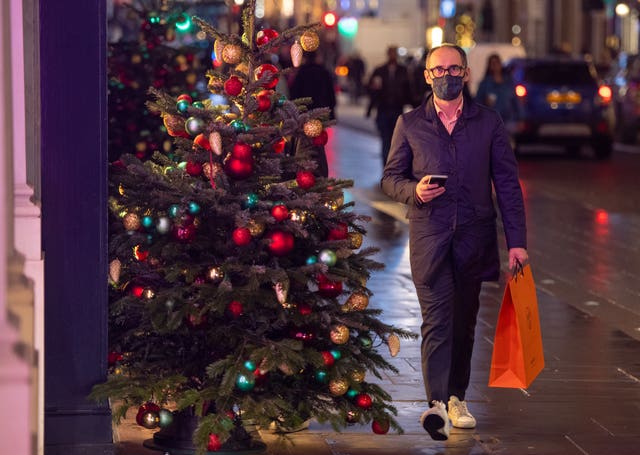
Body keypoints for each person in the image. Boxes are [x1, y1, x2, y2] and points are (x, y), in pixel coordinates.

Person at [380, 43, 528, 441]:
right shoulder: (410, 123)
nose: (446, 76)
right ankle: (436, 405)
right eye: (438, 70)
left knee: (464, 324)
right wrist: (415, 191)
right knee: (438, 321)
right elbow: (390, 178)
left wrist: (517, 242)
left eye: (454, 69)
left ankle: (456, 397)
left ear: (465, 73)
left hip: (474, 239)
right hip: (429, 239)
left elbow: (508, 186)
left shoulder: (488, 122)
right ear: (427, 76)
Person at [366, 45, 411, 168]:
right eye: (391, 53)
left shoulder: (403, 70)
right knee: (385, 139)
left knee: (397, 140)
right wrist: (370, 109)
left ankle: (395, 166)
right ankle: (386, 167)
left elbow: (408, 89)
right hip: (383, 109)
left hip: (397, 109)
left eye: (394, 53)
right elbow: (372, 90)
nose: (392, 56)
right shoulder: (380, 70)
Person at [289, 51, 337, 120]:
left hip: (305, 114)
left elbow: (295, 93)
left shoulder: (302, 73)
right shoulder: (324, 72)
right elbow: (331, 94)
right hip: (322, 112)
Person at [475, 53, 517, 123]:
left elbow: (515, 100)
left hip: (509, 120)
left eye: (497, 62)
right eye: (492, 63)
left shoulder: (508, 82)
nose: (495, 65)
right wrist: (485, 103)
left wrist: (521, 118)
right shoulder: (485, 83)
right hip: (492, 120)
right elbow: (478, 102)